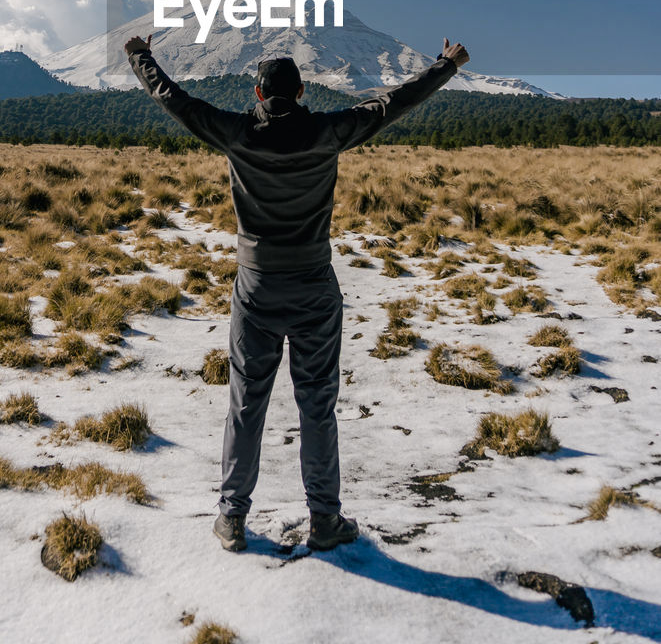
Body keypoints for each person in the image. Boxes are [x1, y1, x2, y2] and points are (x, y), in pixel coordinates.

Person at [124, 32, 470, 553]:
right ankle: (324, 520)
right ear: (303, 92)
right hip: (314, 286)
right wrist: (445, 65)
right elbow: (392, 103)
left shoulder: (236, 132)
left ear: (259, 95)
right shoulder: (329, 132)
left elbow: (172, 98)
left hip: (257, 285)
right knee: (317, 405)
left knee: (246, 401)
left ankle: (232, 516)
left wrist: (140, 56)